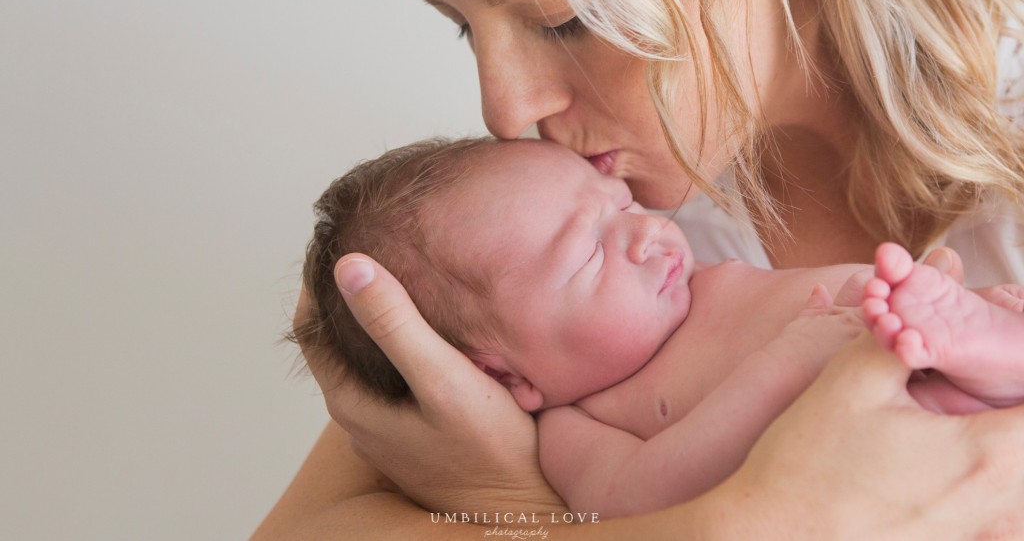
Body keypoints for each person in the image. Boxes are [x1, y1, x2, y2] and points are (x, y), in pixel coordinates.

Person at [252, 0, 1024, 538]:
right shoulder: (547, 231)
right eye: (463, 25)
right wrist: (518, 496)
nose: (504, 109)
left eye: (563, 19)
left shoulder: (611, 211)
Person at [293, 135, 1024, 519]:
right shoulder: (575, 426)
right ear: (506, 375)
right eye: (588, 252)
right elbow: (638, 498)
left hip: (910, 344)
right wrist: (784, 363)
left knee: (935, 316)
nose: (645, 235)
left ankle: (987, 336)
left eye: (621, 207)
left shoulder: (697, 275)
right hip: (886, 448)